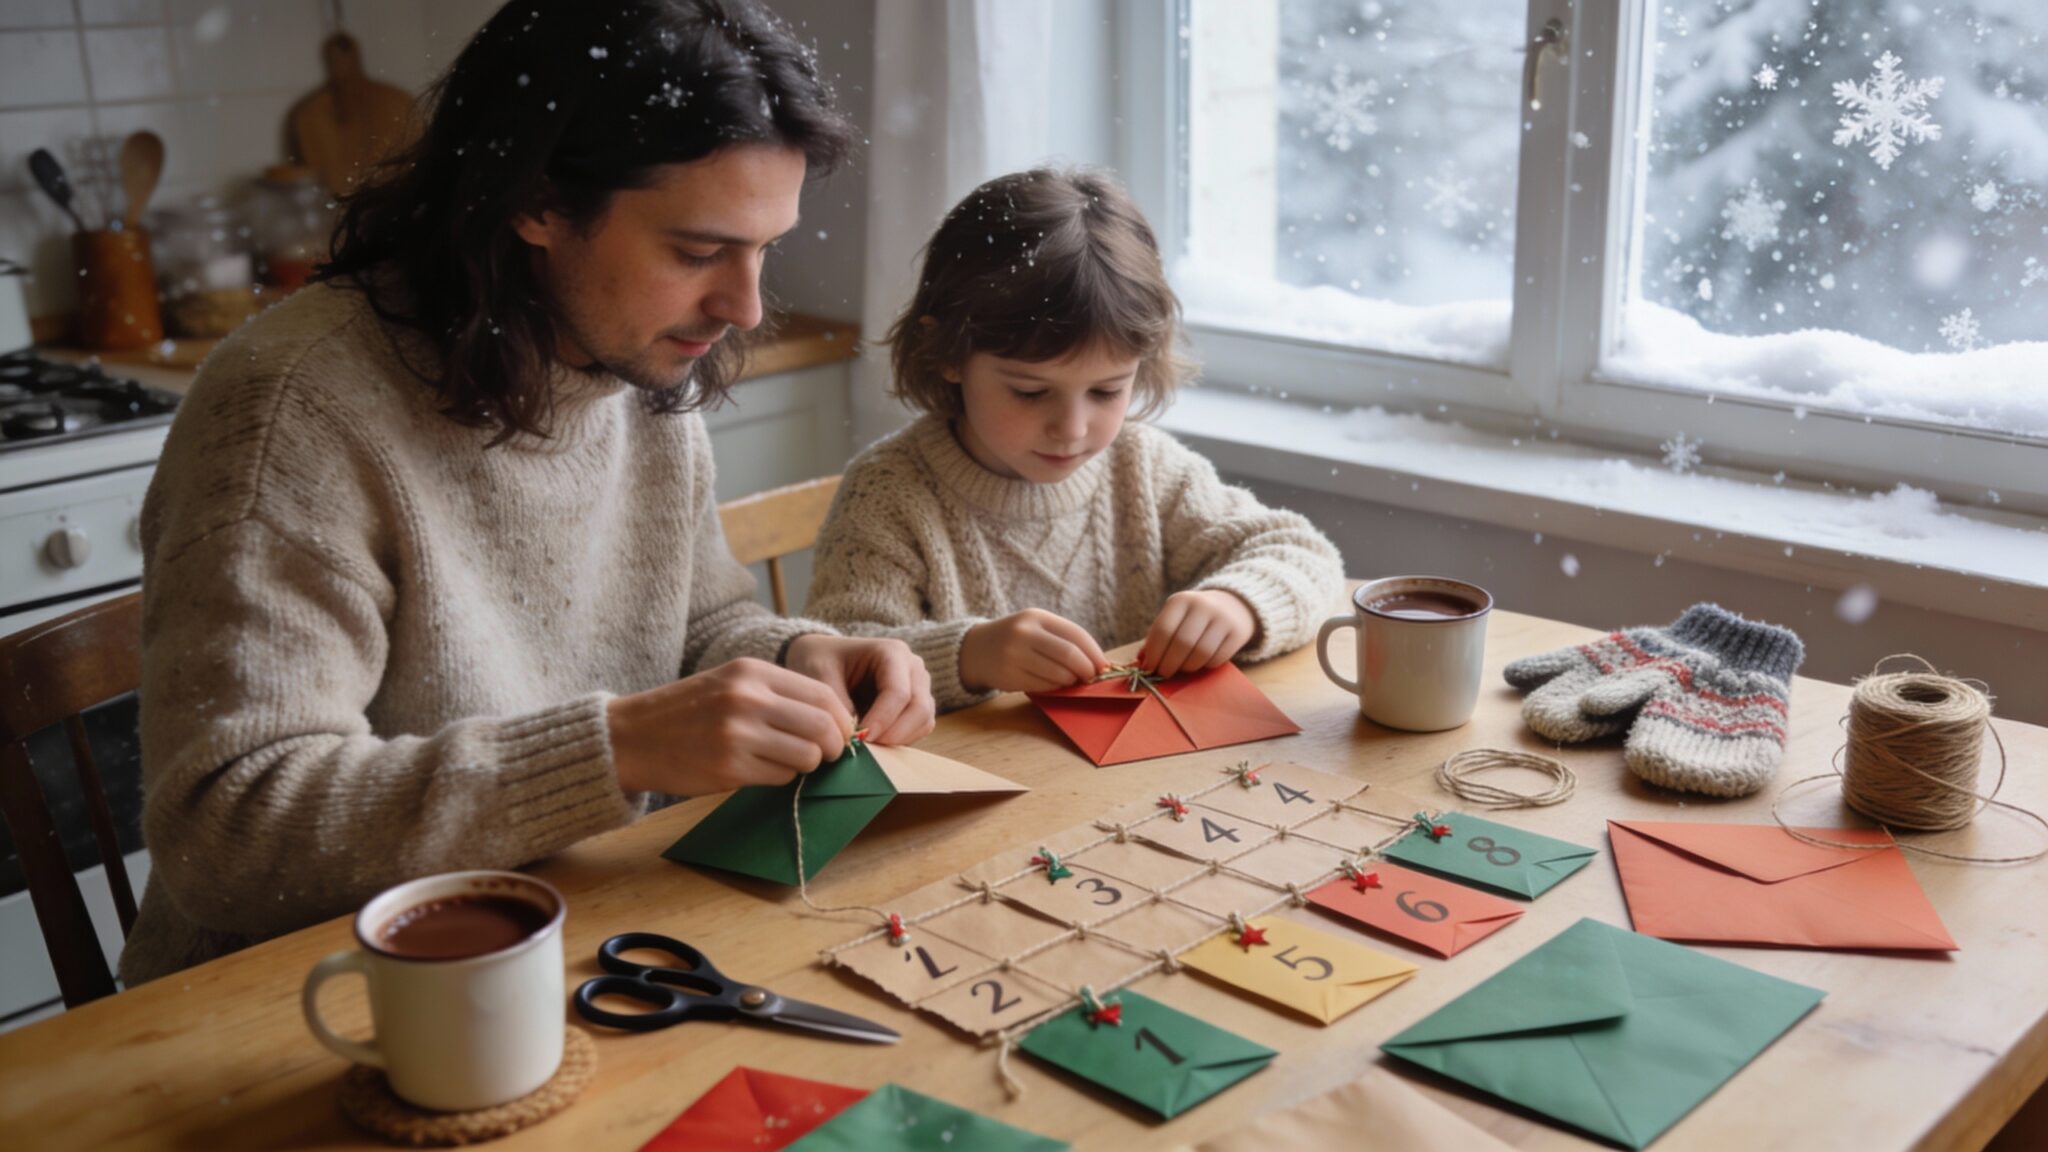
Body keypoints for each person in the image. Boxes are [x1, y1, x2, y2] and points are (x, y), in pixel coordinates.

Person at [119, 0, 934, 987]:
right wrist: (616, 746)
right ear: (537, 201)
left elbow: (697, 620)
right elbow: (228, 830)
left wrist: (800, 659)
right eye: (697, 250)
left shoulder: (630, 359)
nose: (745, 307)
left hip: (568, 937)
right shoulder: (291, 410)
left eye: (764, 248)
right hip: (307, 1003)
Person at [806, 167, 1344, 712]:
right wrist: (970, 655)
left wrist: (1238, 603)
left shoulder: (1144, 466)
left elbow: (1304, 554)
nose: (1073, 428)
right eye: (1030, 392)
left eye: (1107, 391)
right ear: (947, 352)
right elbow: (838, 665)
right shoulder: (887, 496)